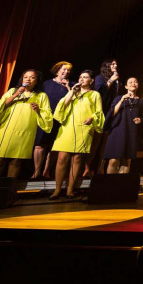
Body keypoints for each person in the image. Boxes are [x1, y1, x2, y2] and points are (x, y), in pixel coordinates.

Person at [0, 70, 53, 178]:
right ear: (22, 79)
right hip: (6, 129)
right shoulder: (13, 91)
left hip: (25, 132)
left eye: (32, 77)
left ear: (37, 81)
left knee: (16, 161)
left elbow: (47, 114)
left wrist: (38, 110)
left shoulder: (41, 96)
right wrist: (16, 94)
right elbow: (0, 105)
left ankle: (9, 191)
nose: (28, 80)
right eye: (26, 77)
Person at [51, 70, 104, 199]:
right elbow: (61, 106)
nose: (82, 79)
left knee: (77, 158)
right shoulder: (72, 92)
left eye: (85, 77)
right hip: (68, 127)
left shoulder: (95, 94)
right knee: (62, 158)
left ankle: (70, 189)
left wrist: (92, 118)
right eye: (80, 77)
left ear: (91, 81)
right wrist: (72, 92)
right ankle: (57, 190)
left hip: (84, 128)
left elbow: (99, 112)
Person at [33, 61, 71, 179]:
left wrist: (68, 87)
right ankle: (36, 172)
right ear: (57, 70)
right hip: (45, 117)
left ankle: (46, 172)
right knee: (40, 145)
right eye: (64, 69)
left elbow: (73, 100)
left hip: (59, 119)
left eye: (68, 70)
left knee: (53, 146)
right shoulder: (47, 84)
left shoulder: (71, 85)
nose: (66, 72)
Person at [86, 59, 121, 176]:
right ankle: (86, 168)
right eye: (113, 64)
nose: (115, 66)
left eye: (116, 64)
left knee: (105, 144)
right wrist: (111, 80)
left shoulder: (116, 80)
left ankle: (100, 168)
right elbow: (99, 92)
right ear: (106, 66)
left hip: (110, 112)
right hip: (100, 111)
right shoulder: (100, 78)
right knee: (95, 142)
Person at [104, 77, 143, 174]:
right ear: (126, 86)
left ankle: (121, 186)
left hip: (131, 131)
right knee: (114, 160)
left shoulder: (141, 101)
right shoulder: (118, 98)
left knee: (127, 161)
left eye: (135, 81)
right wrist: (122, 100)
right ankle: (110, 185)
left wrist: (140, 120)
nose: (133, 83)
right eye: (130, 82)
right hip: (118, 130)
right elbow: (112, 113)